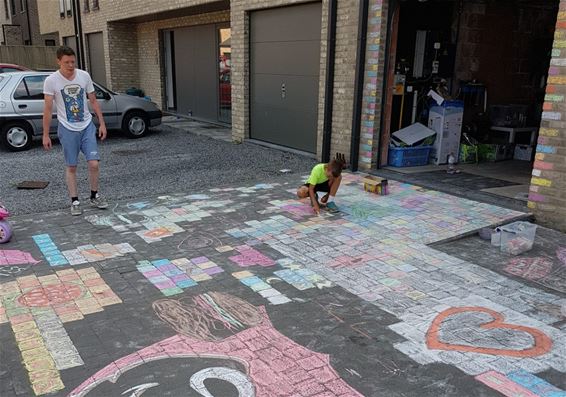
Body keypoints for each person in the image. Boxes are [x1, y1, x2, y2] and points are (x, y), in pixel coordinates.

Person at [42, 46, 108, 216]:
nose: (70, 65)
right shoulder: (51, 81)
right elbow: (48, 109)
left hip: (86, 125)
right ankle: (75, 200)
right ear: (58, 61)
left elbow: (93, 101)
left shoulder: (84, 76)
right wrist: (45, 134)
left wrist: (101, 123)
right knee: (71, 166)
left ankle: (94, 195)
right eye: (66, 62)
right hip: (67, 128)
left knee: (94, 163)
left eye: (73, 62)